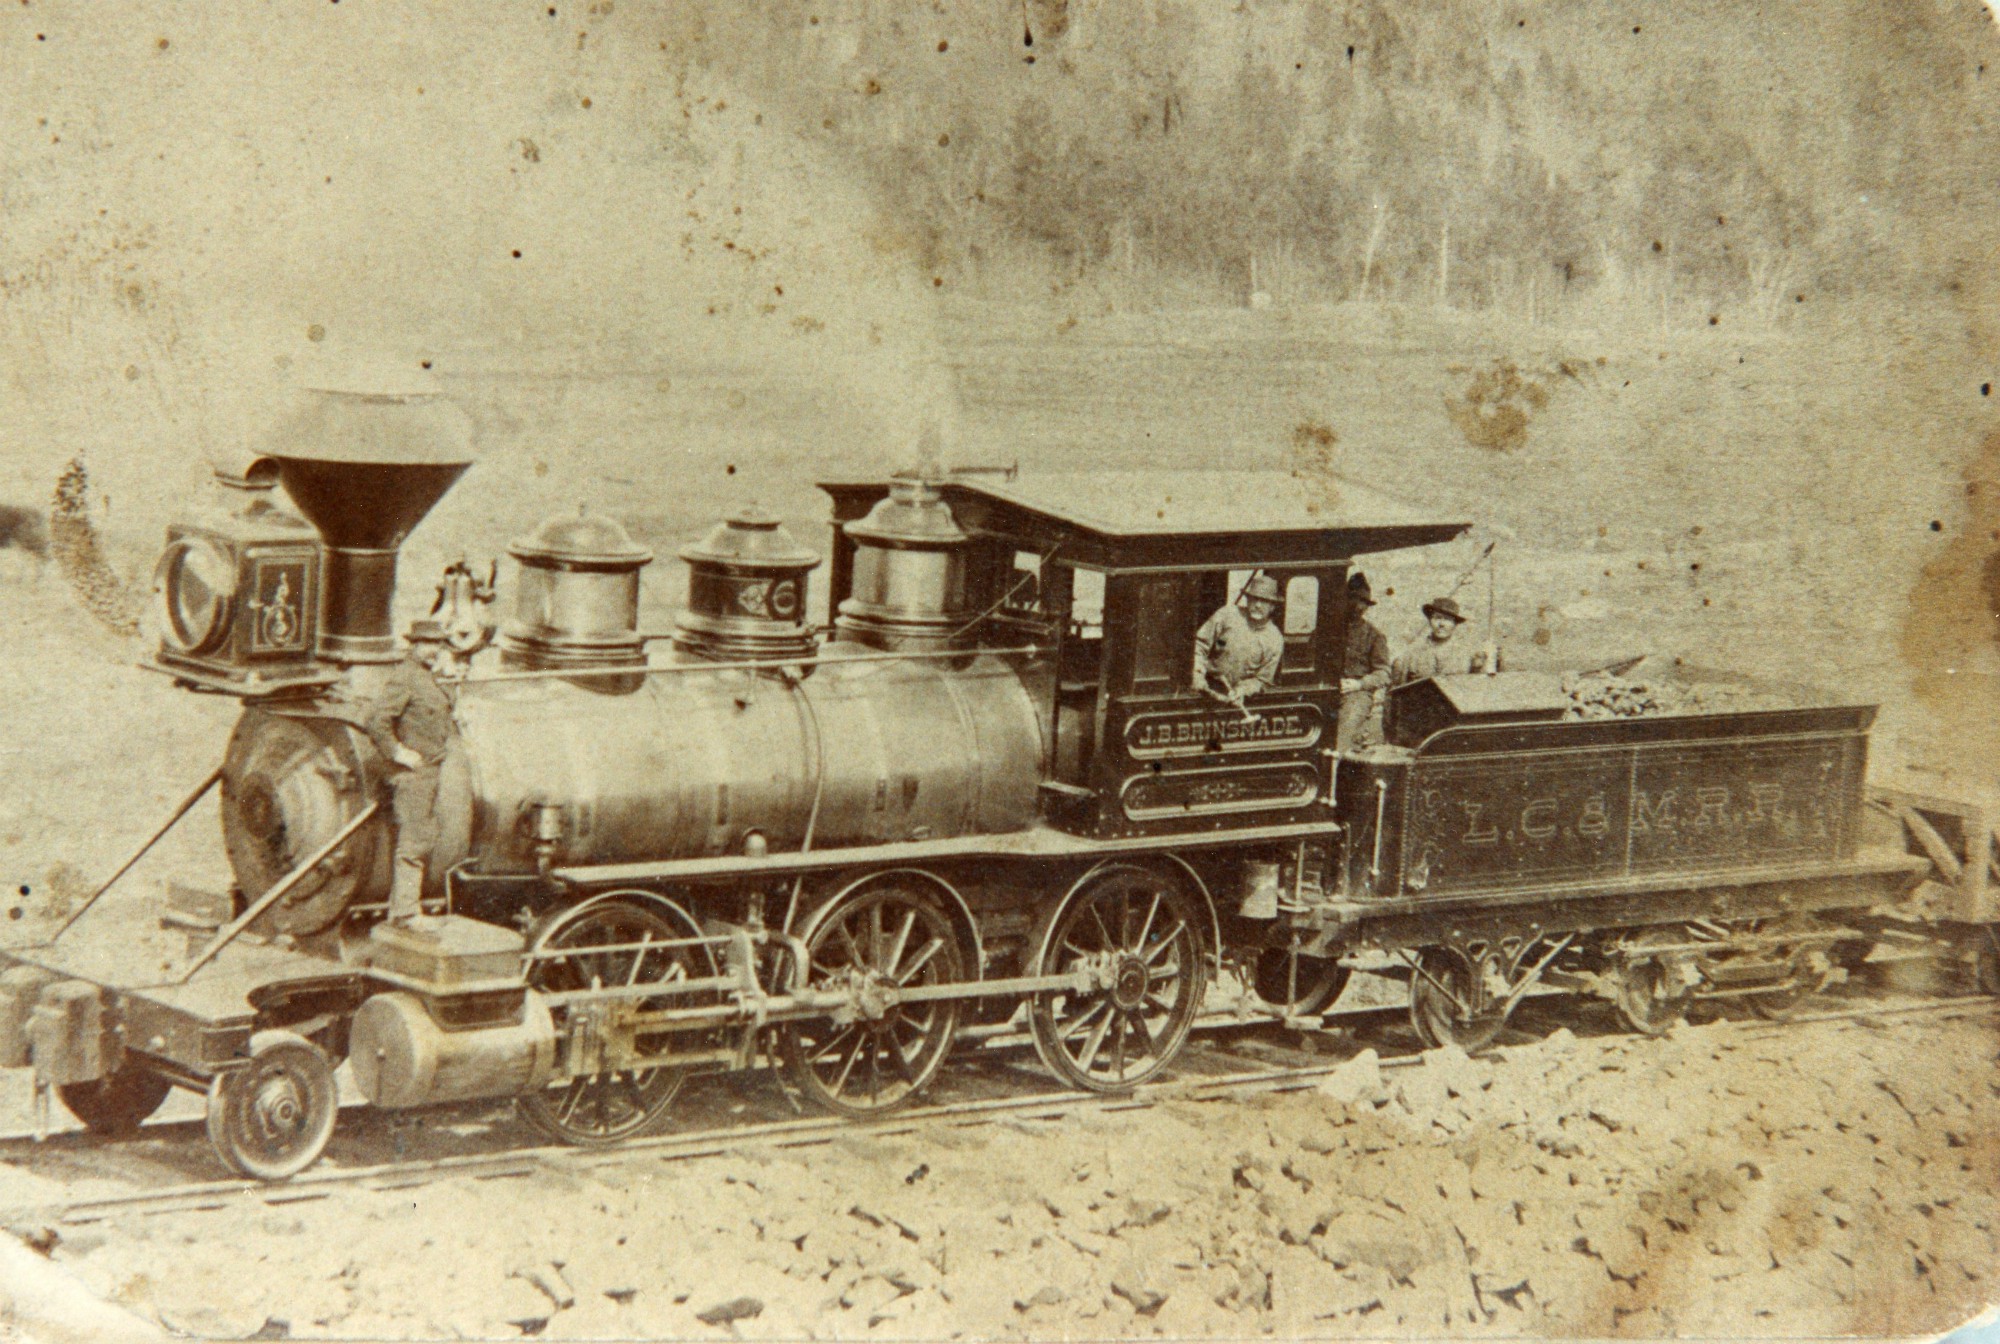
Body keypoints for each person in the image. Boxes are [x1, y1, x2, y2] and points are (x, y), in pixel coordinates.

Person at [361, 621, 456, 925]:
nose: (434, 650)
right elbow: (376, 719)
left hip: (429, 769)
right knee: (414, 842)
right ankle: (405, 913)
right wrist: (399, 753)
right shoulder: (406, 677)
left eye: (439, 644)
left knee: (420, 837)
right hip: (414, 772)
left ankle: (401, 909)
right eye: (428, 644)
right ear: (414, 645)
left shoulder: (427, 677)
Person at [1192, 573, 1286, 705]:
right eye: (1254, 599)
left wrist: (1242, 690)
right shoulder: (1227, 615)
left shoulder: (1275, 640)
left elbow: (1262, 680)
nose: (1258, 605)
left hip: (1238, 700)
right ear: (1247, 600)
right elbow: (1199, 645)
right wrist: (1197, 674)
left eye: (1264, 601)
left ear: (1272, 607)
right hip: (1205, 689)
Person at [1337, 572, 1392, 752]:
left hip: (1357, 694)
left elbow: (1383, 673)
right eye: (1351, 600)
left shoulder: (1374, 636)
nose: (1356, 607)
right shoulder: (1326, 629)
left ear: (1367, 606)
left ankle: (1337, 764)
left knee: (1348, 723)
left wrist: (1359, 684)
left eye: (1362, 602)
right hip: (1329, 689)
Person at [1391, 595, 1495, 684]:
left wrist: (1486, 662)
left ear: (1455, 624)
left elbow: (1480, 686)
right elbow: (1397, 690)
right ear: (1430, 621)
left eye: (1447, 619)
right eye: (1437, 618)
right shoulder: (1412, 653)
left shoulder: (1467, 653)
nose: (1442, 624)